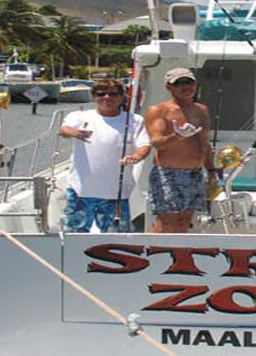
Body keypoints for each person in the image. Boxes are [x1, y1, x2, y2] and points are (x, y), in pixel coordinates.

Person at [58, 79, 151, 233]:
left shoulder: (135, 120)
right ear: (94, 97)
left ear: (122, 97)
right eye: (101, 94)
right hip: (80, 191)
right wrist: (75, 133)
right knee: (73, 235)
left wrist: (137, 156)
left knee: (117, 239)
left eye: (113, 94)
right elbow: (63, 130)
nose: (107, 98)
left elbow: (144, 145)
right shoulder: (79, 116)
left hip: (116, 195)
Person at [145, 68, 217, 233]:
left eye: (189, 82)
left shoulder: (202, 110)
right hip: (169, 173)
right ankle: (151, 253)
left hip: (196, 174)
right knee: (168, 224)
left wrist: (211, 169)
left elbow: (204, 143)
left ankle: (175, 257)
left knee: (185, 222)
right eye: (179, 83)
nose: (185, 86)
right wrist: (178, 136)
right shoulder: (158, 110)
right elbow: (157, 143)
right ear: (169, 87)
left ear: (196, 84)